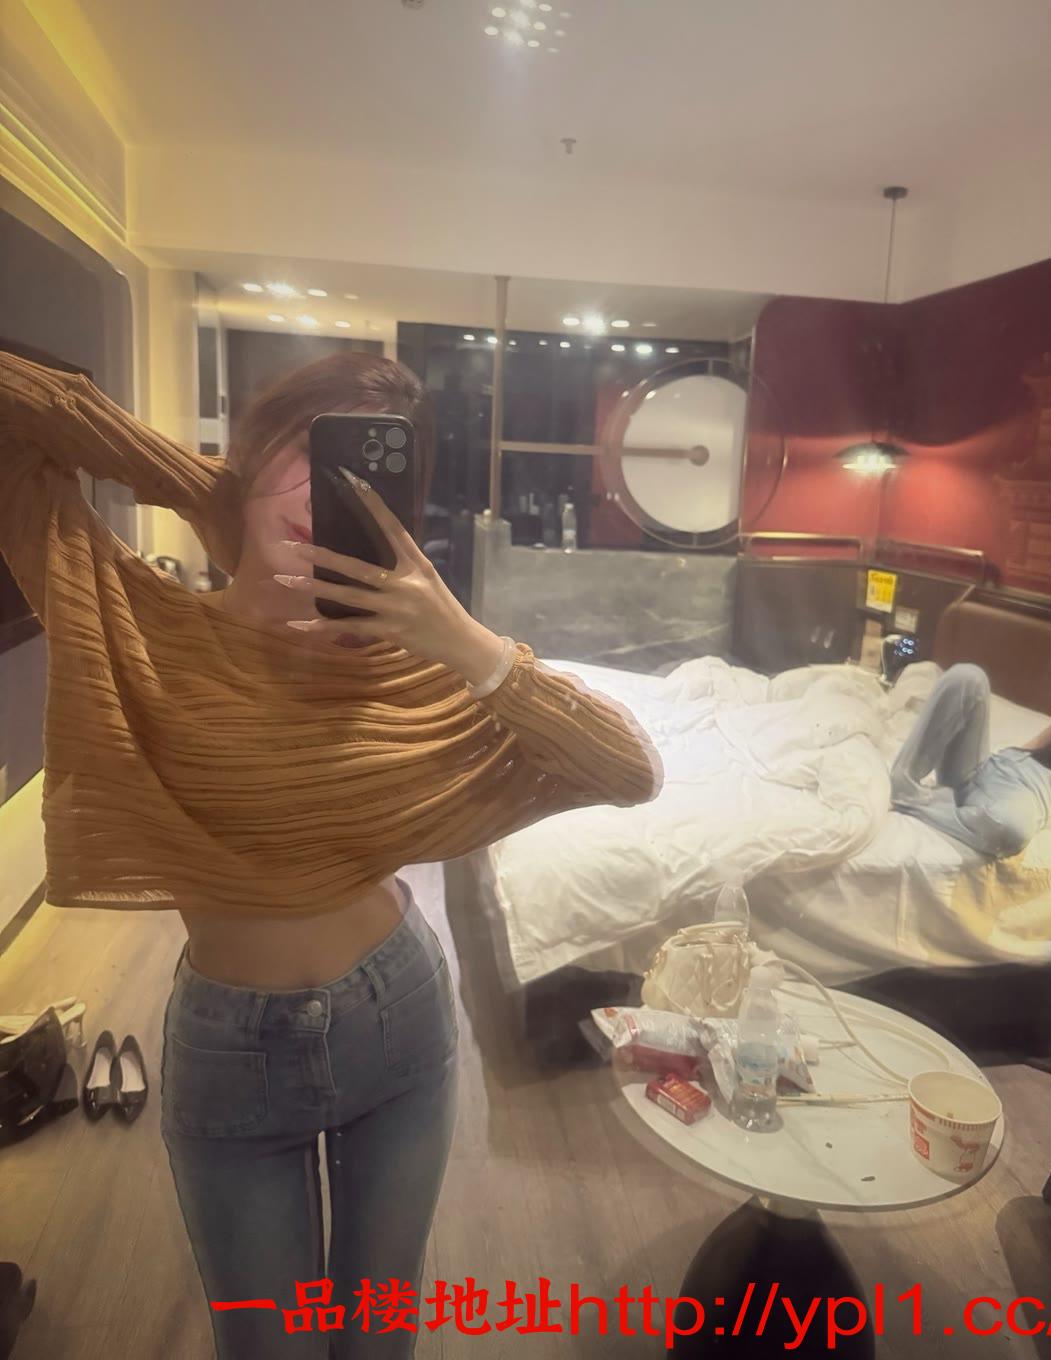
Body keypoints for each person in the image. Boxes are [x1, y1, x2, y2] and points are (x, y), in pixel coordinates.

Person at [0, 348, 664, 1360]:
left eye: (359, 469)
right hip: (228, 1054)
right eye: (304, 451)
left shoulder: (408, 667)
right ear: (251, 449)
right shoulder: (139, 627)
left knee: (375, 1343)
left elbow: (628, 768)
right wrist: (213, 490)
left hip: (397, 1024)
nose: (323, 490)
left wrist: (467, 642)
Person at [890, 662, 1051, 857]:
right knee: (969, 677)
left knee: (1011, 829)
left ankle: (914, 804)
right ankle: (903, 781)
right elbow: (1022, 751)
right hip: (984, 769)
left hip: (1010, 803)